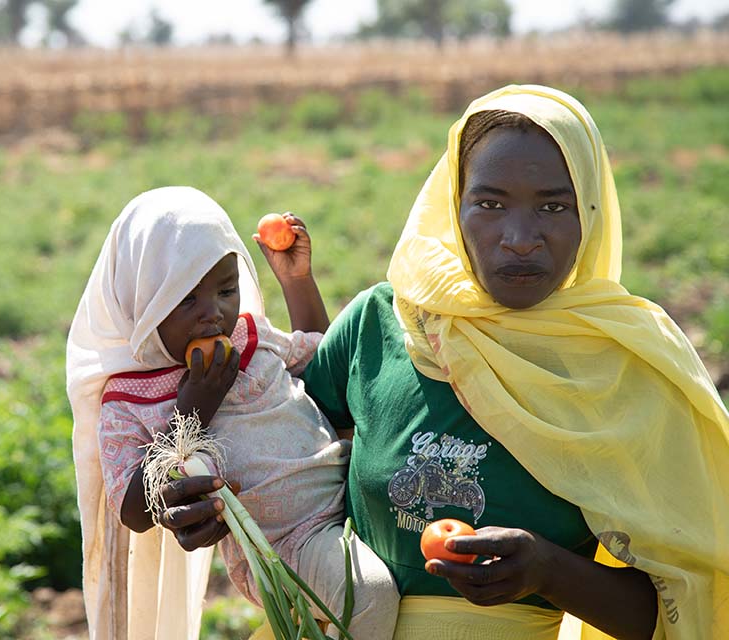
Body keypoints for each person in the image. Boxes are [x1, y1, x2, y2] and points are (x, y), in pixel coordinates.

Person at [161, 85, 729, 640]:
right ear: (453, 207)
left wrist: (546, 570)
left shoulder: (624, 364)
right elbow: (272, 451)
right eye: (489, 203)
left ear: (590, 213)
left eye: (554, 206)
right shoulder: (383, 325)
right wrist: (196, 499)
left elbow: (682, 604)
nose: (520, 237)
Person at [66, 186, 400, 640]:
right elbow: (133, 510)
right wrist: (192, 412)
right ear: (142, 302)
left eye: (226, 290)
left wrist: (296, 281)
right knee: (371, 596)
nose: (214, 314)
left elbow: (326, 365)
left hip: (354, 498)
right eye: (186, 300)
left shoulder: (249, 337)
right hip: (288, 543)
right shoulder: (129, 402)